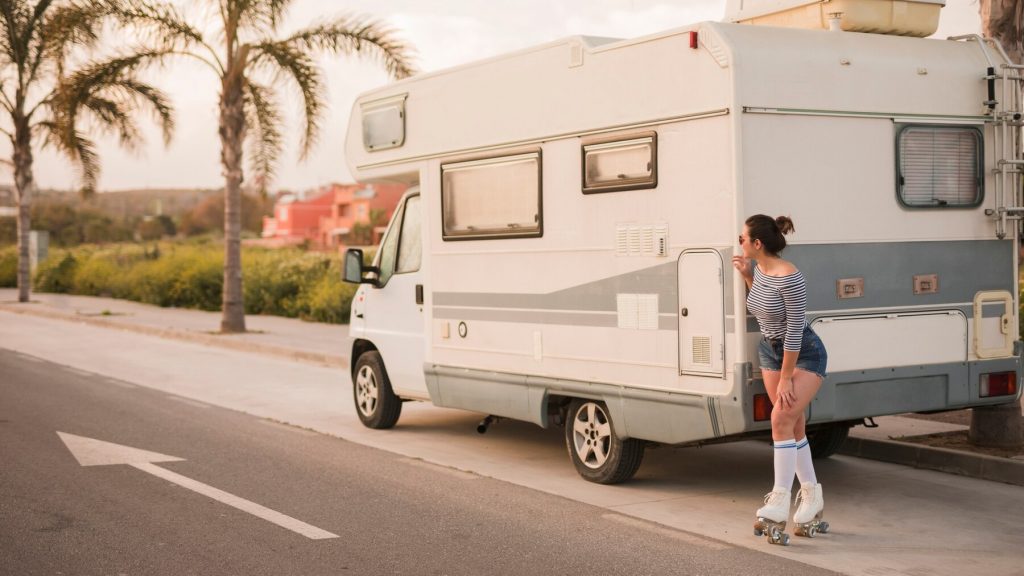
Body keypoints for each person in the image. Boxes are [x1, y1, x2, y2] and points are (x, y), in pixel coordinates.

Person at [731, 214, 829, 545]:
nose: (739, 242)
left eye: (742, 238)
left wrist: (788, 376)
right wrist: (747, 278)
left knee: (779, 418)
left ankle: (779, 500)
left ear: (757, 244)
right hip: (770, 351)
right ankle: (812, 495)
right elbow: (764, 309)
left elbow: (793, 330)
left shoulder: (791, 278)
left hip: (802, 353)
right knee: (792, 423)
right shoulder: (759, 270)